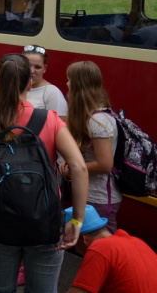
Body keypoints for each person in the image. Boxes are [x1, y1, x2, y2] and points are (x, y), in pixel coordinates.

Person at [0, 53, 89, 292]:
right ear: (30, 83)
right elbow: (79, 166)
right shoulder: (51, 119)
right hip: (45, 224)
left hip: (2, 223)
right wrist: (76, 220)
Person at [61, 61, 121, 230]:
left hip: (100, 198)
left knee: (99, 245)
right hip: (91, 195)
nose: (67, 84)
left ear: (79, 84)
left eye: (70, 79)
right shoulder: (94, 117)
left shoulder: (97, 121)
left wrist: (73, 168)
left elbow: (104, 164)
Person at [65, 205, 157, 293]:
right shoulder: (136, 241)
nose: (75, 249)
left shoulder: (100, 249)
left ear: (82, 238)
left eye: (73, 243)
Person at [22, 45, 68, 119]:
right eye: (27, 66)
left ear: (45, 69)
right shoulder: (13, 87)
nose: (31, 71)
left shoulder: (52, 93)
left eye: (37, 67)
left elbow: (61, 126)